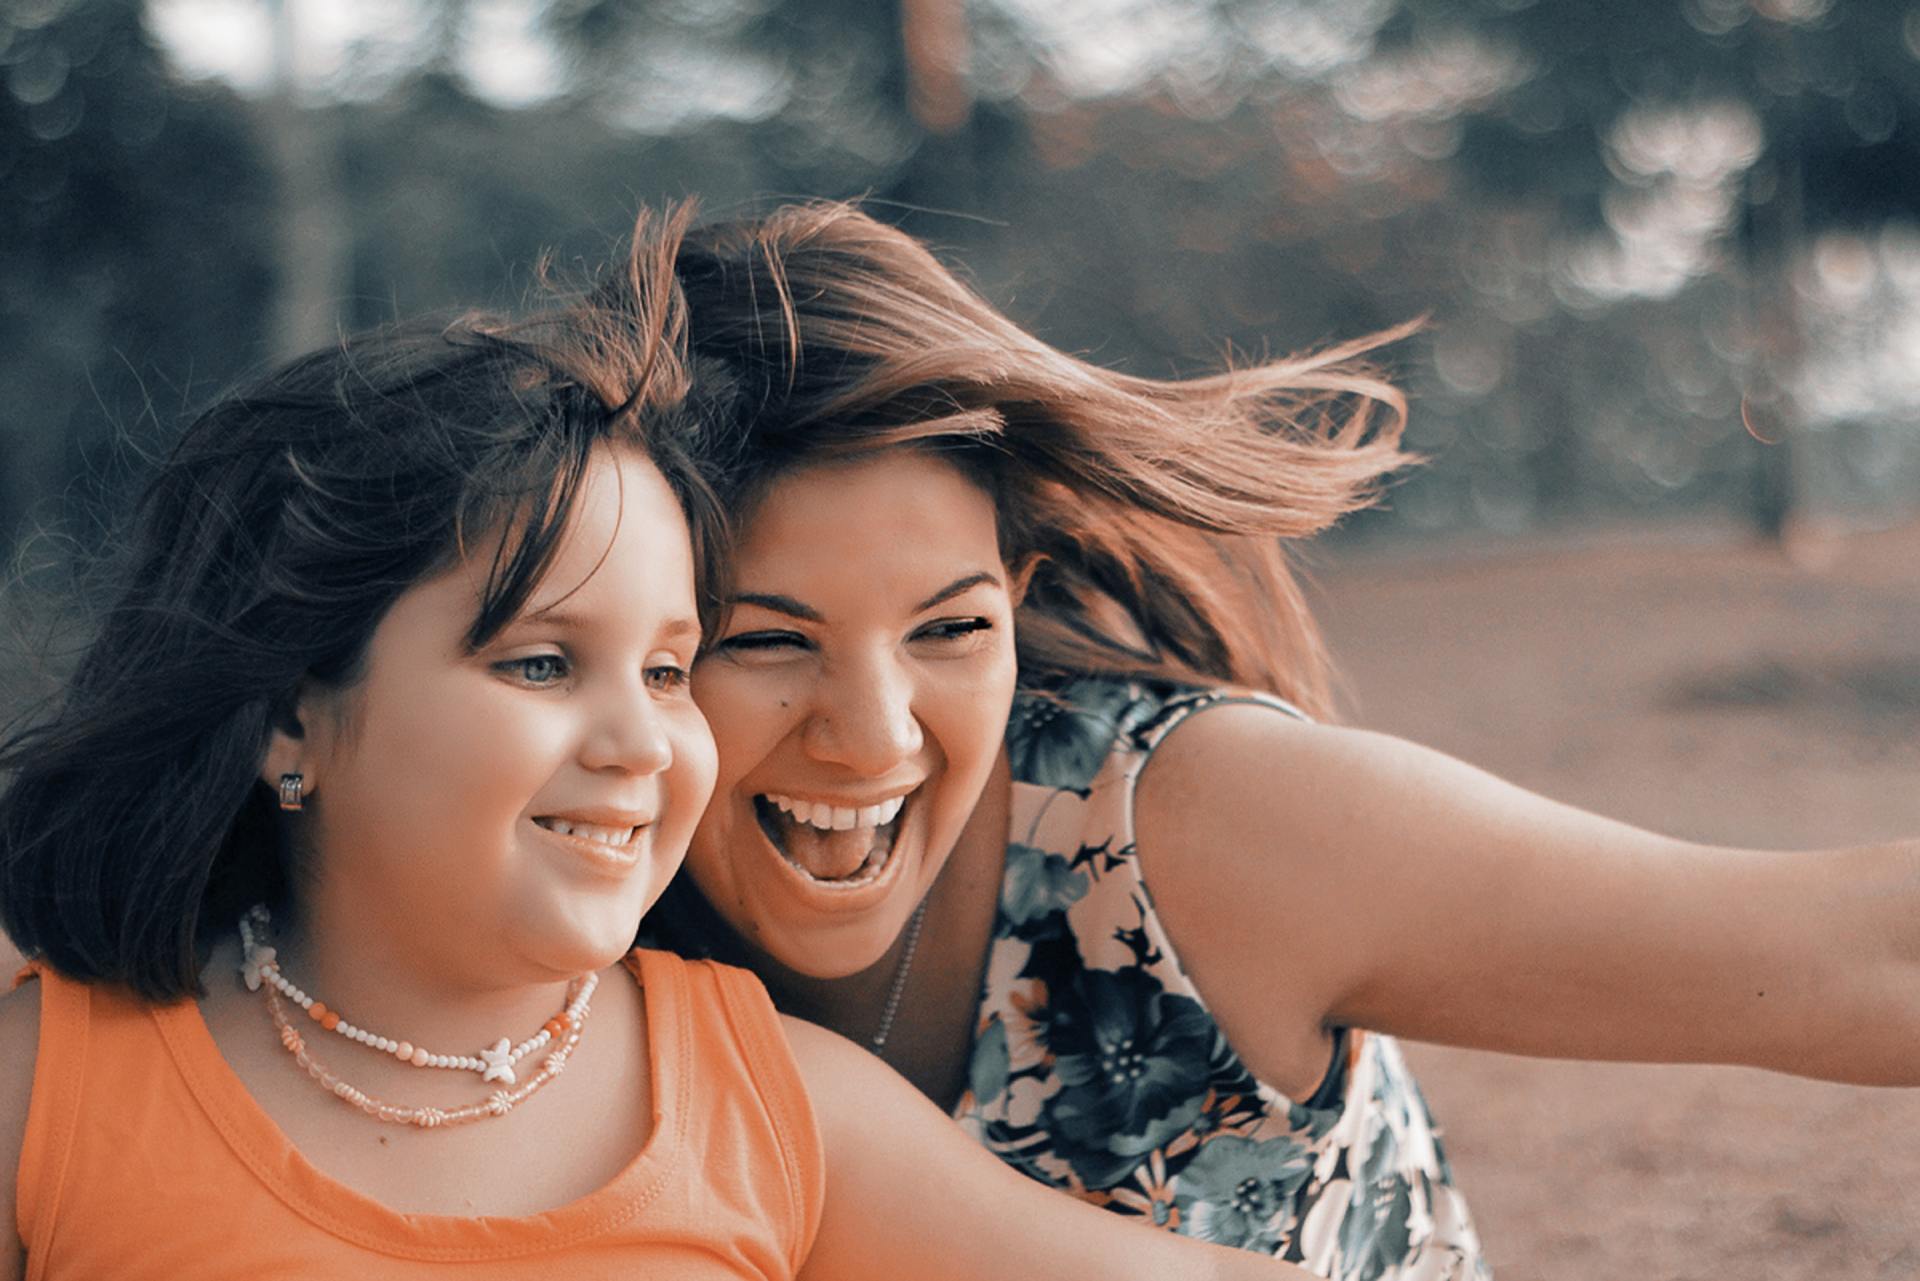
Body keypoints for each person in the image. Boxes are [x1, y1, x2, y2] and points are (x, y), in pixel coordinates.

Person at [0, 209, 1322, 1281]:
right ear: (293, 709)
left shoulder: (766, 1097)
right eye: (539, 661)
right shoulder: (48, 1090)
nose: (644, 738)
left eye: (674, 667)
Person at [654, 200, 1920, 1279]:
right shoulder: (549, 918)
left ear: (1019, 595)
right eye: (765, 641)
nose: (874, 736)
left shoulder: (1185, 829)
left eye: (950, 629)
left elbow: (1850, 954)